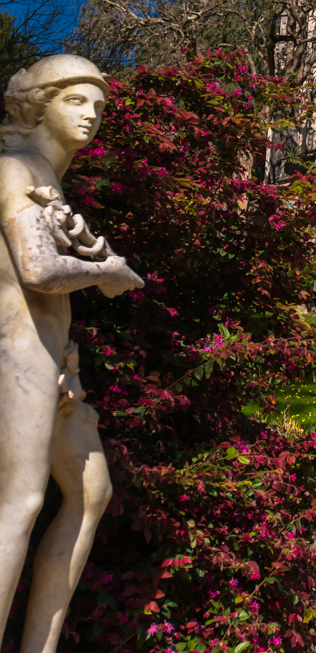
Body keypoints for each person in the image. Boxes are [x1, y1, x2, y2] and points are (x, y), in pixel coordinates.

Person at [0, 56, 143, 653]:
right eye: (76, 102)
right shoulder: (15, 167)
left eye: (100, 107)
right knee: (21, 500)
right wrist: (104, 270)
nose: (92, 117)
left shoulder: (47, 177)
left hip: (56, 356)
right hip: (18, 347)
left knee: (90, 493)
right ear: (40, 104)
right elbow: (36, 269)